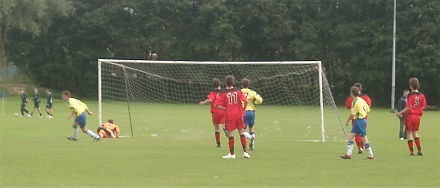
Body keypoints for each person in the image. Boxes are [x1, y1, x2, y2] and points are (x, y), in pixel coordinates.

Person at [214, 75, 250, 159]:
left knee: (230, 134)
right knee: (241, 132)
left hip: (230, 115)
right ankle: (245, 152)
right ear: (233, 82)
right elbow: (246, 101)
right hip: (239, 114)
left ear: (225, 82)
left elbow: (216, 104)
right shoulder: (238, 91)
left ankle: (232, 154)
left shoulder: (223, 93)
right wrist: (243, 110)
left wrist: (224, 108)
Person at [341, 86, 374, 159]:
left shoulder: (355, 102)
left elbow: (352, 113)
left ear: (352, 93)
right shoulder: (362, 100)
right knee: (350, 136)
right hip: (361, 120)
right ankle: (348, 154)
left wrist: (347, 121)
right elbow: (368, 109)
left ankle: (371, 155)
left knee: (364, 138)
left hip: (359, 121)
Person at [396, 78, 427, 156]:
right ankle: (420, 150)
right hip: (417, 116)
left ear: (410, 86)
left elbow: (409, 107)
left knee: (409, 133)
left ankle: (412, 151)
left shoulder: (410, 95)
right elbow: (424, 106)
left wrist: (400, 112)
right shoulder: (422, 95)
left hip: (410, 116)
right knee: (415, 133)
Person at [199, 78, 226, 147]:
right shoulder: (224, 92)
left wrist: (203, 103)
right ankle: (226, 128)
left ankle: (218, 143)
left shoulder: (213, 93)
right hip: (223, 111)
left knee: (216, 127)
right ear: (220, 84)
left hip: (215, 112)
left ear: (213, 85)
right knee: (225, 124)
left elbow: (210, 100)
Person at [240, 78, 263, 150]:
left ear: (241, 85)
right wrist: (255, 103)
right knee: (251, 127)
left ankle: (250, 138)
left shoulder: (239, 92)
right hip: (251, 112)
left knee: (242, 130)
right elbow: (260, 100)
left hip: (243, 112)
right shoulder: (252, 92)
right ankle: (252, 145)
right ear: (248, 85)